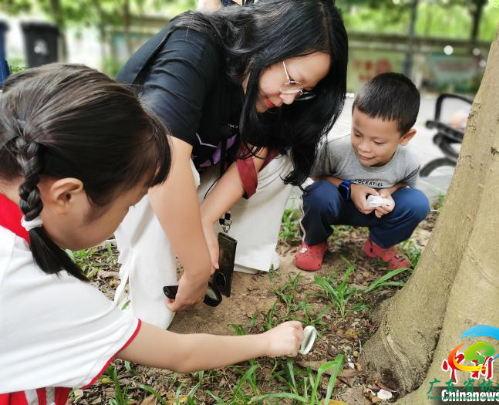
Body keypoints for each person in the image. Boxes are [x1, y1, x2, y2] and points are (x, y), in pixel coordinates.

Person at [0, 64, 304, 403]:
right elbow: (180, 354)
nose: (128, 213)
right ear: (66, 195)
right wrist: (265, 342)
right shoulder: (49, 295)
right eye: (130, 204)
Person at [114, 0, 348, 328]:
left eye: (304, 91)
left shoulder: (269, 90)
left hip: (194, 165)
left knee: (282, 158)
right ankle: (147, 312)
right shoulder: (195, 45)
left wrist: (205, 220)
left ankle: (242, 254)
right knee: (165, 165)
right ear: (269, 39)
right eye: (292, 80)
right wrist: (196, 269)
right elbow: (163, 163)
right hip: (132, 170)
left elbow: (255, 151)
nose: (291, 97)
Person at [294, 73, 430, 272]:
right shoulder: (335, 149)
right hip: (337, 206)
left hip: (377, 211)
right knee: (319, 194)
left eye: (377, 142)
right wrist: (351, 188)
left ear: (405, 137)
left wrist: (388, 193)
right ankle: (314, 241)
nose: (364, 147)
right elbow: (317, 177)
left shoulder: (409, 160)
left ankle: (380, 245)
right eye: (357, 133)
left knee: (417, 202)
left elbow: (406, 186)